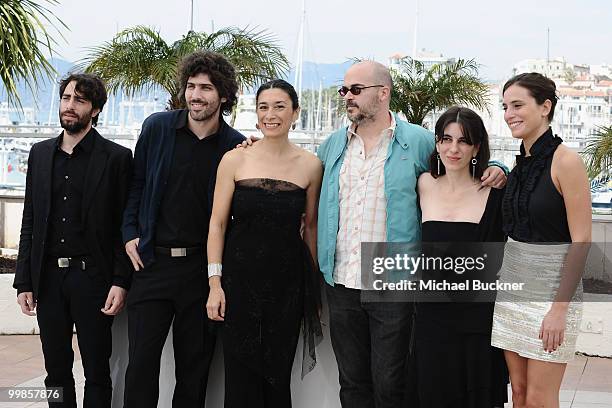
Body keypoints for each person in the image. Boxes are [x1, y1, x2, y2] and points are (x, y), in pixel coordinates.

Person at [315, 60, 508, 408]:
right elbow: (302, 179)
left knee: (392, 383)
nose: (347, 96)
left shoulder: (417, 141)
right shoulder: (332, 145)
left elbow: (457, 165)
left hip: (393, 283)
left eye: (356, 90)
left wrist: (499, 168)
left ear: (383, 93)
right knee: (352, 383)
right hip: (341, 281)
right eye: (344, 90)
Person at [121, 51, 245, 408]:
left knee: (194, 369)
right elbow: (137, 183)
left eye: (206, 88)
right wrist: (130, 231)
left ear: (223, 95)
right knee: (141, 365)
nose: (195, 95)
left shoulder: (235, 146)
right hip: (152, 265)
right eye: (191, 86)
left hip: (201, 273)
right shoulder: (157, 127)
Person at [13, 73, 132, 408]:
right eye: (66, 98)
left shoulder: (116, 158)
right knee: (55, 372)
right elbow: (30, 220)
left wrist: (121, 281)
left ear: (94, 110)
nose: (69, 106)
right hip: (48, 279)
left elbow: (124, 225)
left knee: (97, 371)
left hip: (93, 277)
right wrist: (25, 280)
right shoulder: (39, 154)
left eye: (79, 100)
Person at [206, 79, 323, 408]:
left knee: (277, 376)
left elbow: (310, 229)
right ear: (256, 115)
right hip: (238, 283)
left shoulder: (311, 165)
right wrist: (215, 284)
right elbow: (216, 225)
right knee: (239, 378)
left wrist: (312, 289)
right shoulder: (234, 160)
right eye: (263, 107)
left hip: (287, 286)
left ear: (295, 112)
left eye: (279, 106)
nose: (271, 115)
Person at [491, 73, 591, 407]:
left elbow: (581, 241)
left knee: (538, 398)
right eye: (505, 107)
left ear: (545, 107)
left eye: (517, 105)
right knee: (517, 393)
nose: (509, 114)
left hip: (552, 295)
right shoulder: (520, 165)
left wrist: (559, 310)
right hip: (513, 290)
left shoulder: (567, 162)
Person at [411, 106, 508, 407]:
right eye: (446, 139)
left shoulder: (494, 191)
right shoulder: (423, 184)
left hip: (477, 317)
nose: (453, 149)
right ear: (437, 143)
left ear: (477, 147)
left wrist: (501, 168)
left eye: (464, 141)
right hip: (431, 316)